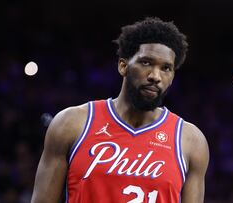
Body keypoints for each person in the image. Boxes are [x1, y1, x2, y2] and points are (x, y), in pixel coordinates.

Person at [31, 17, 209, 203]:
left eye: (166, 68)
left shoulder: (191, 141)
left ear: (172, 77)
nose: (155, 76)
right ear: (123, 66)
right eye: (146, 63)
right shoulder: (71, 123)